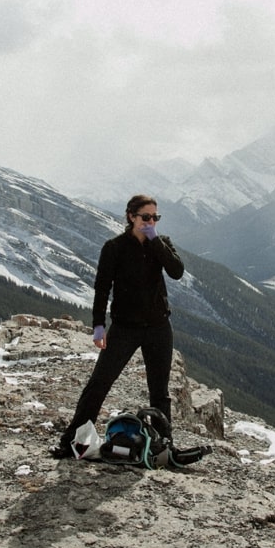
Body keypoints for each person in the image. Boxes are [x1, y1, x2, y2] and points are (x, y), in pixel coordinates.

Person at [56, 194, 185, 457]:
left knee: (160, 392)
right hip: (125, 328)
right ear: (131, 217)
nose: (151, 222)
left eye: (155, 217)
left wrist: (155, 240)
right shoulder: (114, 247)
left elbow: (176, 271)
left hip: (159, 327)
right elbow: (102, 289)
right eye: (145, 217)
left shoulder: (161, 244)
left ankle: (163, 446)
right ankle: (71, 441)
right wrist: (98, 326)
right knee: (100, 383)